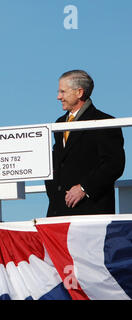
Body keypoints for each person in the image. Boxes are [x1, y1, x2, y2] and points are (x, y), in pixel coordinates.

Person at [45, 70, 125, 217]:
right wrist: (54, 195)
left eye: (63, 91)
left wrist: (84, 188)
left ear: (79, 92)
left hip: (90, 213)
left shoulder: (105, 123)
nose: (58, 97)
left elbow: (114, 164)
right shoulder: (59, 123)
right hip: (58, 213)